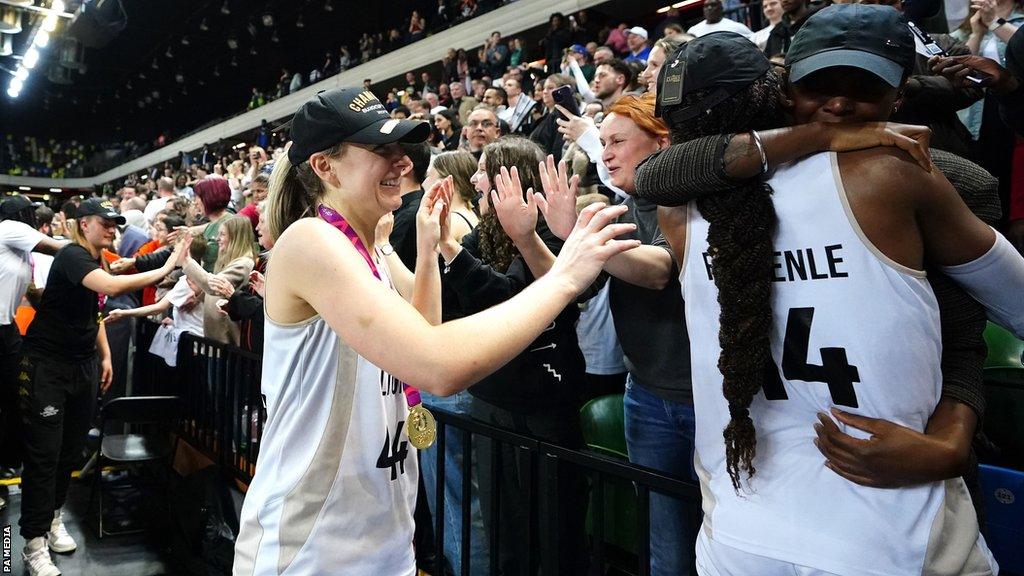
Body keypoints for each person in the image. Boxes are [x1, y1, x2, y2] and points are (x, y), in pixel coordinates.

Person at [645, 15, 1020, 574]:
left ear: (900, 91)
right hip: (881, 534)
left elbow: (960, 334)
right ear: (780, 89)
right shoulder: (901, 174)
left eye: (863, 87)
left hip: (748, 528)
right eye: (818, 87)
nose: (840, 106)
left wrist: (954, 434)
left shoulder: (683, 206)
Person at [232, 87, 637, 576]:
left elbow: (424, 330)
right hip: (314, 544)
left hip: (381, 537)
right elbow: (438, 364)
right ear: (325, 166)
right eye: (381, 150)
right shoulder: (310, 239)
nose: (401, 161)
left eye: (401, 149)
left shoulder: (367, 247)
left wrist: (429, 247)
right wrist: (565, 277)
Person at [20, 199, 187, 576]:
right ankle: (30, 544)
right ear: (83, 225)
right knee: (45, 455)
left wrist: (106, 356)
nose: (112, 230)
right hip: (48, 366)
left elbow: (94, 310)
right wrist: (167, 265)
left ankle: (52, 519)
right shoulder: (73, 256)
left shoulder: (95, 260)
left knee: (68, 452)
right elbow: (111, 286)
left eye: (116, 225)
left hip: (83, 366)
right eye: (105, 223)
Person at [181, 215, 256, 346]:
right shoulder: (228, 261)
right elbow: (215, 294)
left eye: (222, 234)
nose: (217, 239)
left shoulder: (244, 264)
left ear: (235, 238)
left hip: (226, 344)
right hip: (215, 340)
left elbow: (214, 286)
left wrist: (186, 260)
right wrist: (198, 296)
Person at [192, 177, 233, 272]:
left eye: (198, 197)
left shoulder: (231, 223)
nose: (195, 202)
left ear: (208, 198)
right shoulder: (210, 226)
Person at [688, 0, 755, 39]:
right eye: (706, 6)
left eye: (713, 5)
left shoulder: (736, 27)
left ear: (721, 8)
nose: (709, 8)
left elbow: (754, 40)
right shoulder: (693, 30)